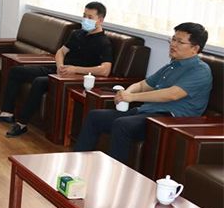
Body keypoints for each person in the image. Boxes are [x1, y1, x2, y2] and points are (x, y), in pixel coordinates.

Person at [74, 22, 212, 163]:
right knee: (95, 116)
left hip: (169, 119)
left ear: (195, 48)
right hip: (147, 112)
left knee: (122, 125)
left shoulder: (200, 71)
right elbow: (143, 85)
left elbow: (172, 94)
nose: (173, 44)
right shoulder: (172, 66)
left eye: (180, 42)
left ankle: (116, 173)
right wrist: (125, 93)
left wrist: (132, 97)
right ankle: (78, 164)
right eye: (173, 39)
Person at [0, 2, 113, 137]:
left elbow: (105, 70)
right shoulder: (77, 34)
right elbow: (61, 52)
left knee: (39, 81)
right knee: (16, 71)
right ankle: (7, 113)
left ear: (100, 20)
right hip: (60, 70)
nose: (85, 20)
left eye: (90, 17)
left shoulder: (103, 42)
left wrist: (75, 69)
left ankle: (22, 123)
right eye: (84, 16)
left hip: (75, 77)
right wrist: (60, 66)